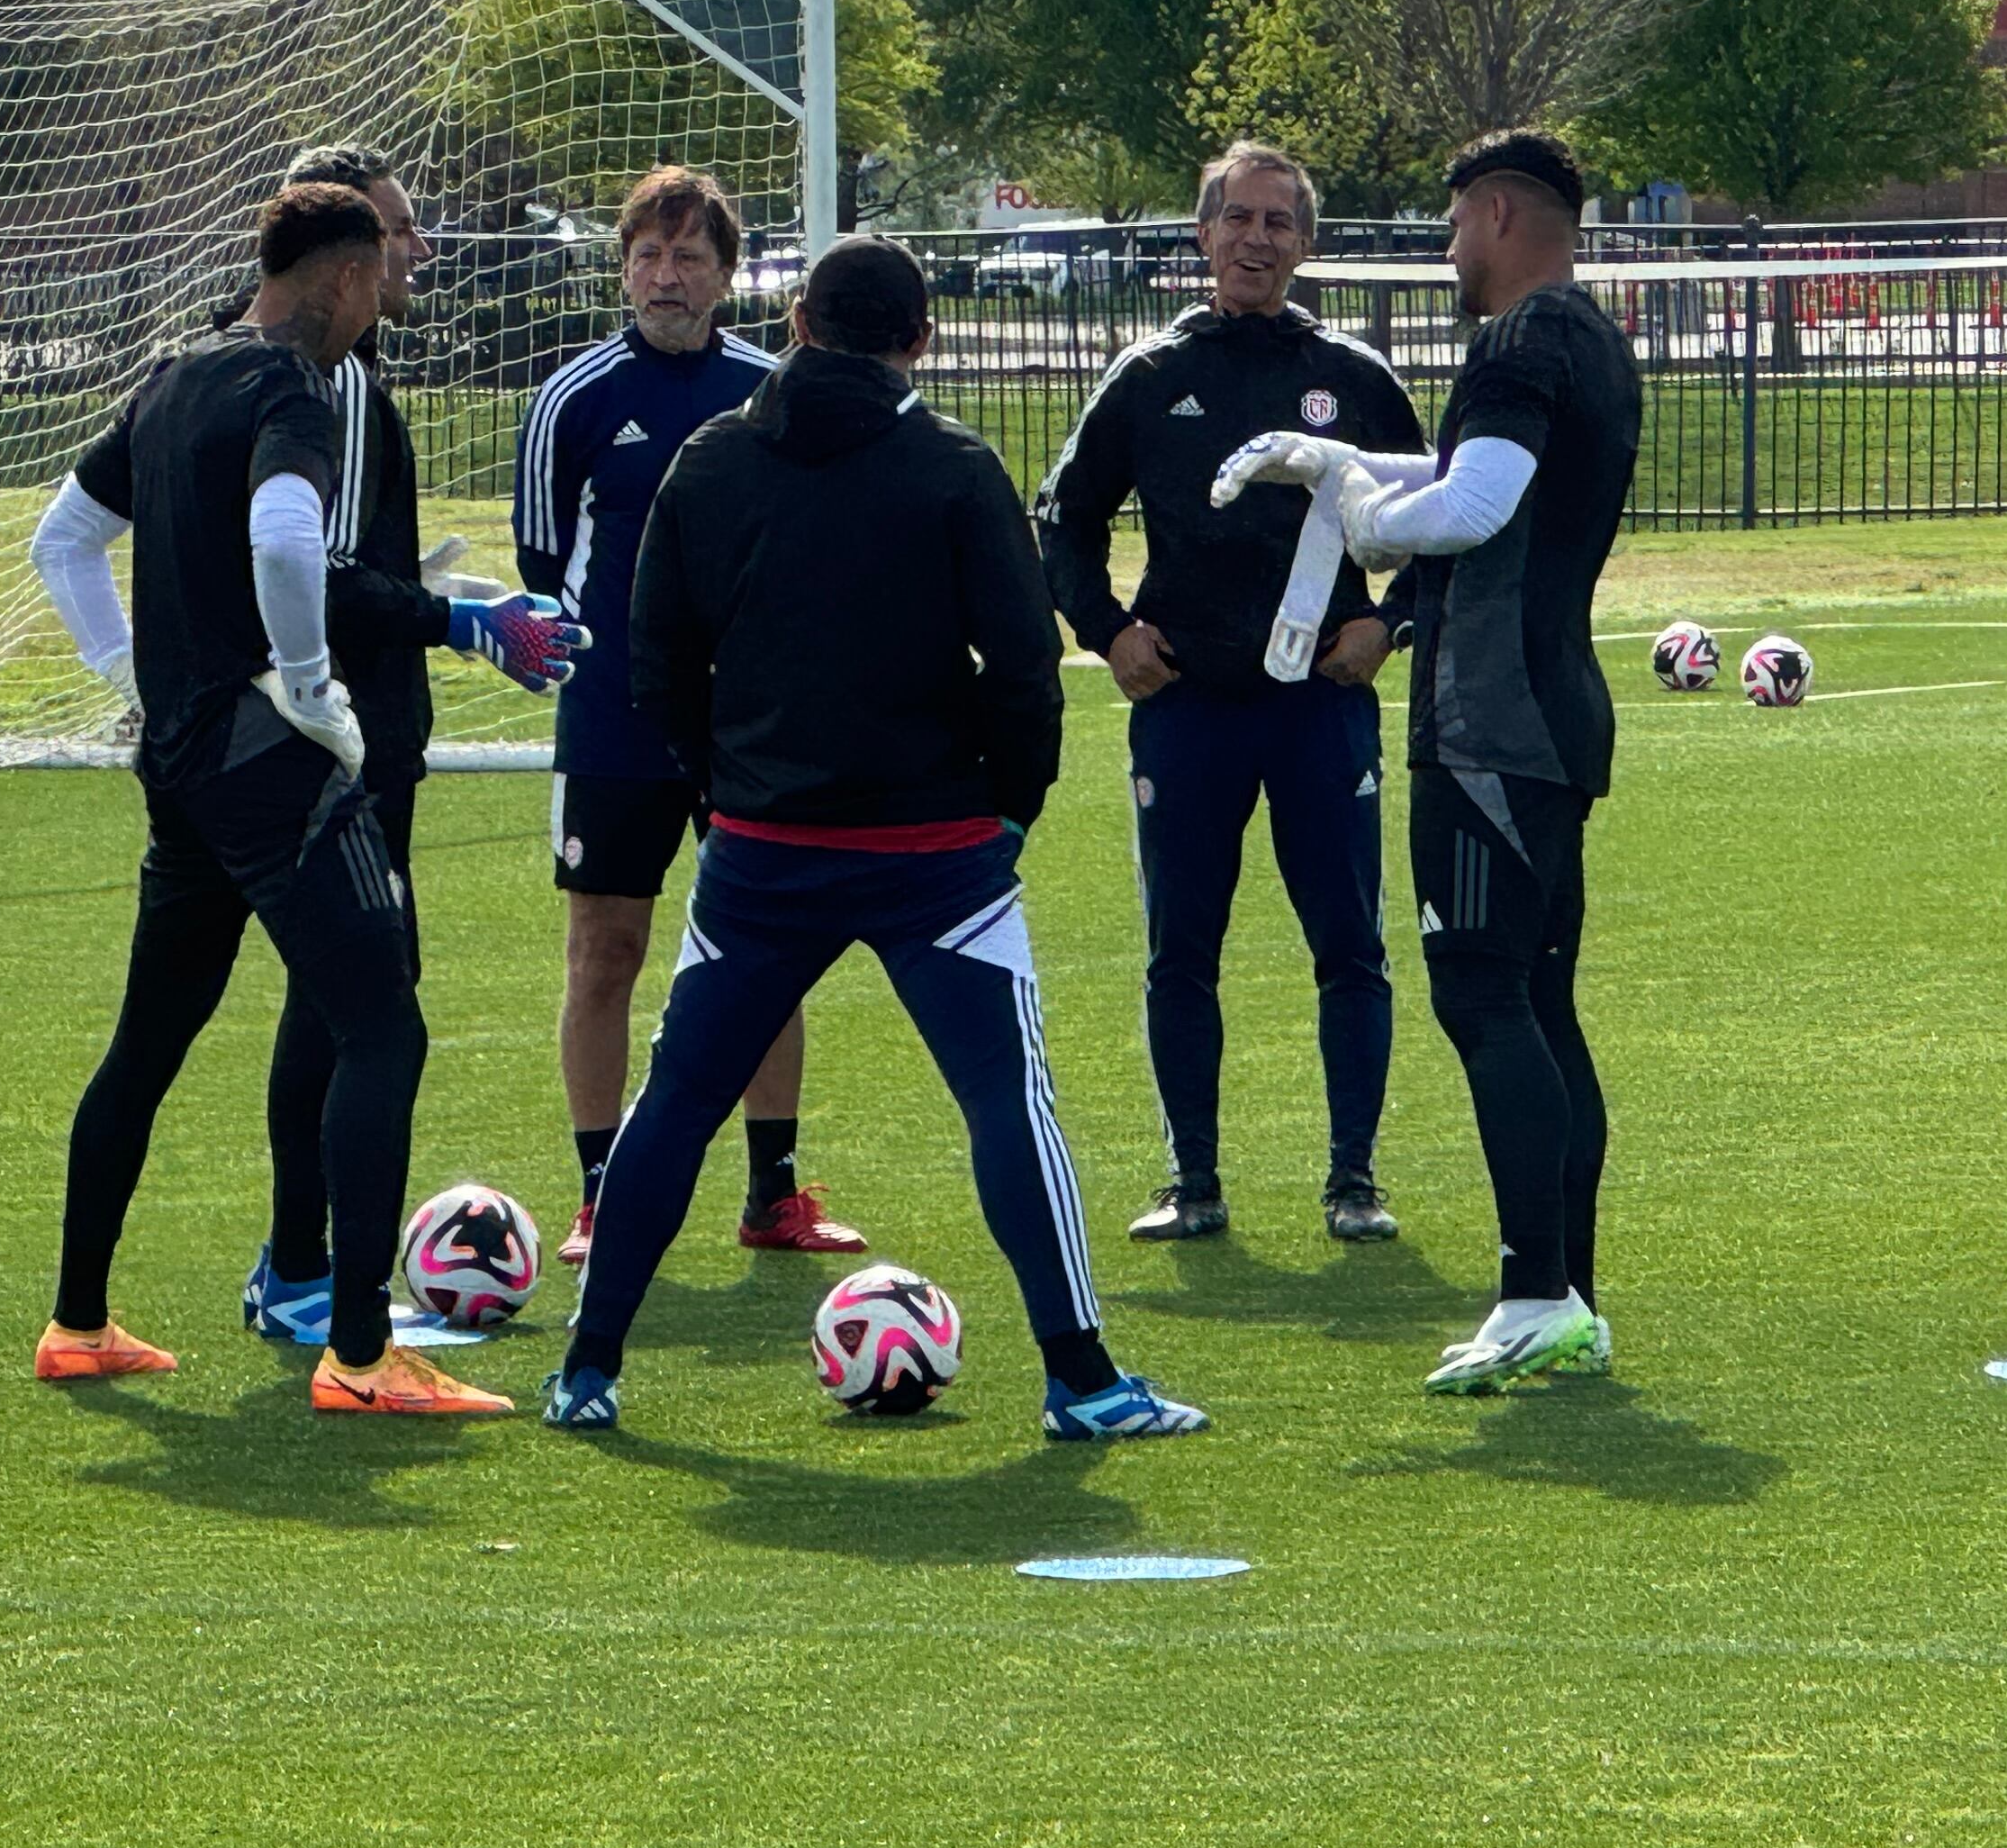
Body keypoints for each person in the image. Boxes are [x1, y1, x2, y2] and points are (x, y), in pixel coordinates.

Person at [540, 237, 1205, 1443]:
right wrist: (1011, 810)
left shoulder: (712, 456)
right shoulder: (951, 464)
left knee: (677, 1095)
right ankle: (1081, 1378)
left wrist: (724, 786)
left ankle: (589, 1369)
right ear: (921, 340)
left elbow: (656, 660)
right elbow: (1023, 669)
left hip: (763, 846)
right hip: (936, 849)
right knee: (1011, 1103)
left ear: (796, 319)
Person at [23, 184, 514, 1415]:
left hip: (181, 767)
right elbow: (289, 544)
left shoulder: (172, 376)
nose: (378, 297)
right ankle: (358, 1355)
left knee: (149, 1042)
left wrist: (124, 669)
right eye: (379, 268)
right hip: (268, 761)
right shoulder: (292, 385)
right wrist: (308, 686)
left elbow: (62, 542)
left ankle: (77, 1322)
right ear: (343, 276)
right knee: (381, 1028)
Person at [1216, 128, 1640, 1397]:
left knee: (1484, 996)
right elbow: (1473, 478)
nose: (1451, 251)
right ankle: (1566, 1294)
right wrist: (1343, 464)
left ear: (1502, 215)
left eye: (1457, 226)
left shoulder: (1519, 341)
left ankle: (1531, 1290)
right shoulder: (1593, 341)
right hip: (1553, 713)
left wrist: (1360, 517)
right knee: (1540, 1004)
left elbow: (1468, 510)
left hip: (1491, 722)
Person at [218, 143, 576, 1346]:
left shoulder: (255, 369)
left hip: (279, 736)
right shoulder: (333, 387)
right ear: (347, 261)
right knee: (359, 1011)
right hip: (344, 743)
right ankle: (316, 1278)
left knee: (327, 1001)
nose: (415, 252)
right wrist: (463, 620)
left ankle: (298, 1268)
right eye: (395, 234)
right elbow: (319, 570)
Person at [1035, 141, 1422, 1246]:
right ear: (1202, 234)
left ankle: (1355, 1182)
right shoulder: (1153, 376)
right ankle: (1191, 1182)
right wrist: (1109, 634)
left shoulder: (1352, 376)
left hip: (1320, 708)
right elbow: (1061, 521)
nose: (1258, 240)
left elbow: (1450, 517)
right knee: (1181, 950)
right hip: (1191, 709)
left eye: (1279, 223)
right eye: (1239, 220)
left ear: (1306, 242)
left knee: (1349, 944)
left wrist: (1387, 622)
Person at [514, 167, 866, 1267]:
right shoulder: (572, 400)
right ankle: (598, 1195)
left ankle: (773, 1194)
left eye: (690, 259)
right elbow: (540, 563)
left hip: (748, 730)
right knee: (604, 951)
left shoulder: (774, 390)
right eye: (648, 257)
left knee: (766, 949)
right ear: (623, 267)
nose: (666, 278)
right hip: (614, 724)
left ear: (726, 275)